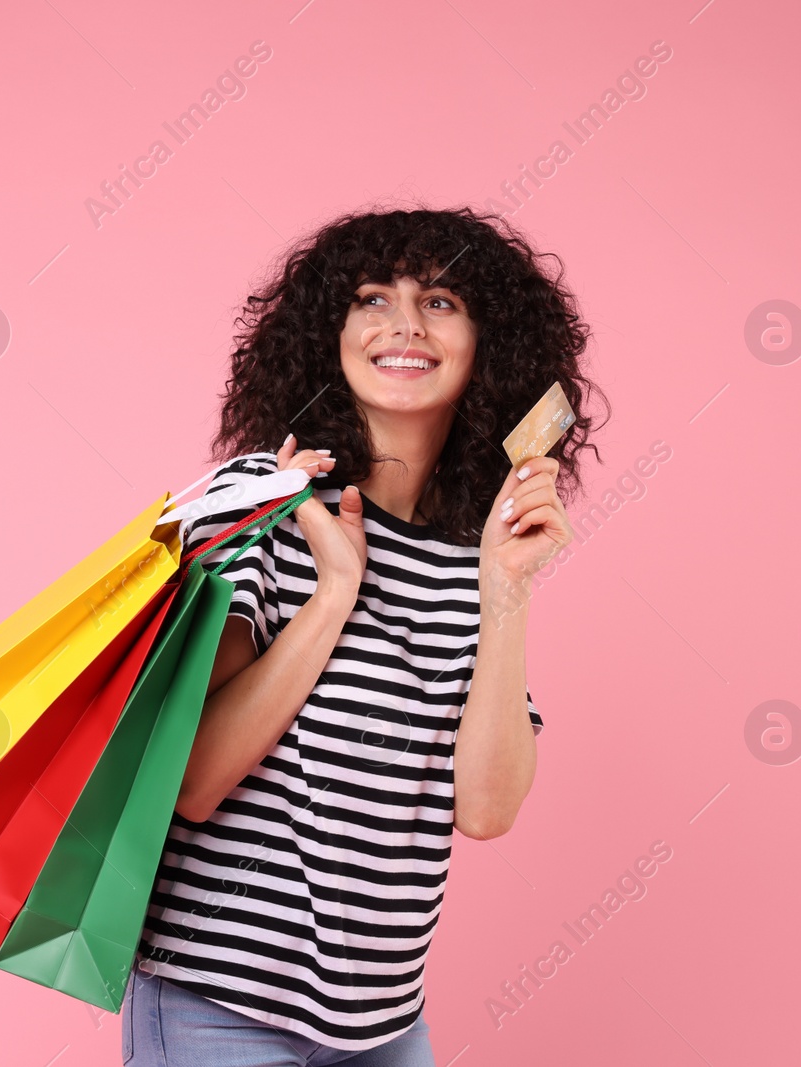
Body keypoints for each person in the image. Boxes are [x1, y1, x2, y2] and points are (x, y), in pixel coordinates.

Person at [121, 206, 608, 1066]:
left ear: (488, 345)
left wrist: (504, 593)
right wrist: (333, 592)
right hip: (219, 1002)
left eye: (443, 301)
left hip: (382, 1026)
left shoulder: (475, 554)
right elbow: (193, 781)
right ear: (330, 334)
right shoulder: (262, 503)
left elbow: (487, 810)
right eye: (372, 298)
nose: (405, 325)